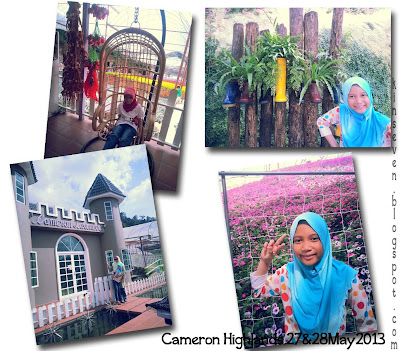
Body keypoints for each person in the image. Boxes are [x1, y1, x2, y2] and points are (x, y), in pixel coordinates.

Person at [251, 212, 377, 343]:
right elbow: (258, 292)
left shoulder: (346, 277)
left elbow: (367, 325)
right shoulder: (286, 275)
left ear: (325, 239)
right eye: (298, 240)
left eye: (314, 238)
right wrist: (264, 262)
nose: (306, 248)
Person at [317, 77, 391, 147]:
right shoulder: (342, 112)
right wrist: (335, 145)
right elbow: (321, 121)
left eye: (363, 95)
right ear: (346, 98)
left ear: (369, 96)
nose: (358, 101)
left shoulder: (384, 123)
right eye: (352, 96)